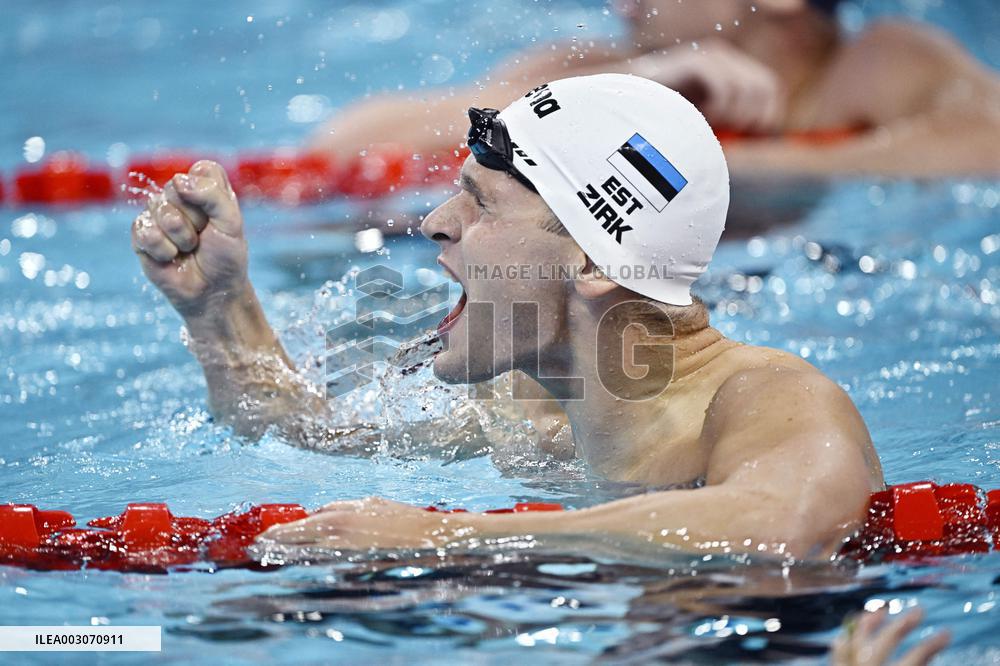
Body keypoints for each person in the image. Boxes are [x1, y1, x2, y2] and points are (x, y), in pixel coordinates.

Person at [132, 73, 885, 559]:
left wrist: (445, 536)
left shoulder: (768, 398)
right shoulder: (533, 416)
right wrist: (219, 310)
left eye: (482, 203)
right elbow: (298, 432)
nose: (434, 222)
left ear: (592, 263)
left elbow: (784, 522)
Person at [310, 0, 1000, 177]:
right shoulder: (600, 68)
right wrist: (621, 96)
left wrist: (714, 167)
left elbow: (987, 145)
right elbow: (342, 148)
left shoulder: (873, 63)